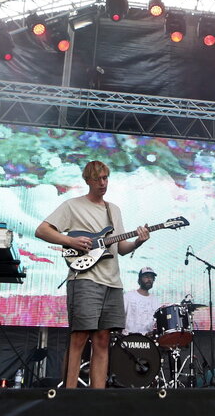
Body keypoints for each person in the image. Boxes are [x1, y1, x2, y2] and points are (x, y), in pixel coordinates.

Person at [35, 161, 150, 389]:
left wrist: (138, 241)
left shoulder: (113, 210)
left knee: (102, 340)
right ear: (87, 180)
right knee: (79, 337)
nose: (103, 183)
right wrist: (69, 240)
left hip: (112, 282)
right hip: (85, 279)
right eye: (98, 179)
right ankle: (69, 395)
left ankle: (97, 398)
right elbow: (42, 230)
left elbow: (121, 248)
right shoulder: (72, 206)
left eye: (106, 178)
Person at [123, 267, 161, 336]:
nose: (149, 279)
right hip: (128, 338)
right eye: (146, 277)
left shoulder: (156, 300)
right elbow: (120, 317)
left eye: (151, 277)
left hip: (149, 340)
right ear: (139, 280)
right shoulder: (128, 296)